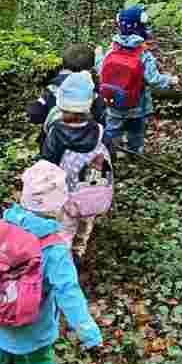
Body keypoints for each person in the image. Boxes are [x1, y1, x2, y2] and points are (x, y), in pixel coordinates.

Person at [0, 161, 102, 364]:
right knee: (37, 363)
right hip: (35, 324)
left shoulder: (3, 227)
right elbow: (68, 291)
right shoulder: (54, 249)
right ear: (59, 204)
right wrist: (88, 331)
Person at [40, 72, 113, 258]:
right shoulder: (99, 130)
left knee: (65, 226)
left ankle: (63, 257)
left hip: (67, 192)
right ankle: (79, 249)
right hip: (91, 189)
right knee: (86, 220)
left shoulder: (56, 132)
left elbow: (49, 160)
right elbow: (110, 156)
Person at [97, 6, 178, 154]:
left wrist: (97, 55)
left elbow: (101, 69)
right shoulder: (143, 54)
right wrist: (170, 80)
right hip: (136, 105)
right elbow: (153, 79)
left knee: (112, 129)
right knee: (136, 131)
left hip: (112, 102)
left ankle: (109, 153)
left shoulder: (112, 48)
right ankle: (135, 153)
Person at [28, 43, 106, 147]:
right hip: (85, 142)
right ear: (91, 68)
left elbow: (35, 114)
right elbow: (101, 117)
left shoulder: (52, 89)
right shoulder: (93, 92)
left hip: (54, 141)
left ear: (64, 65)